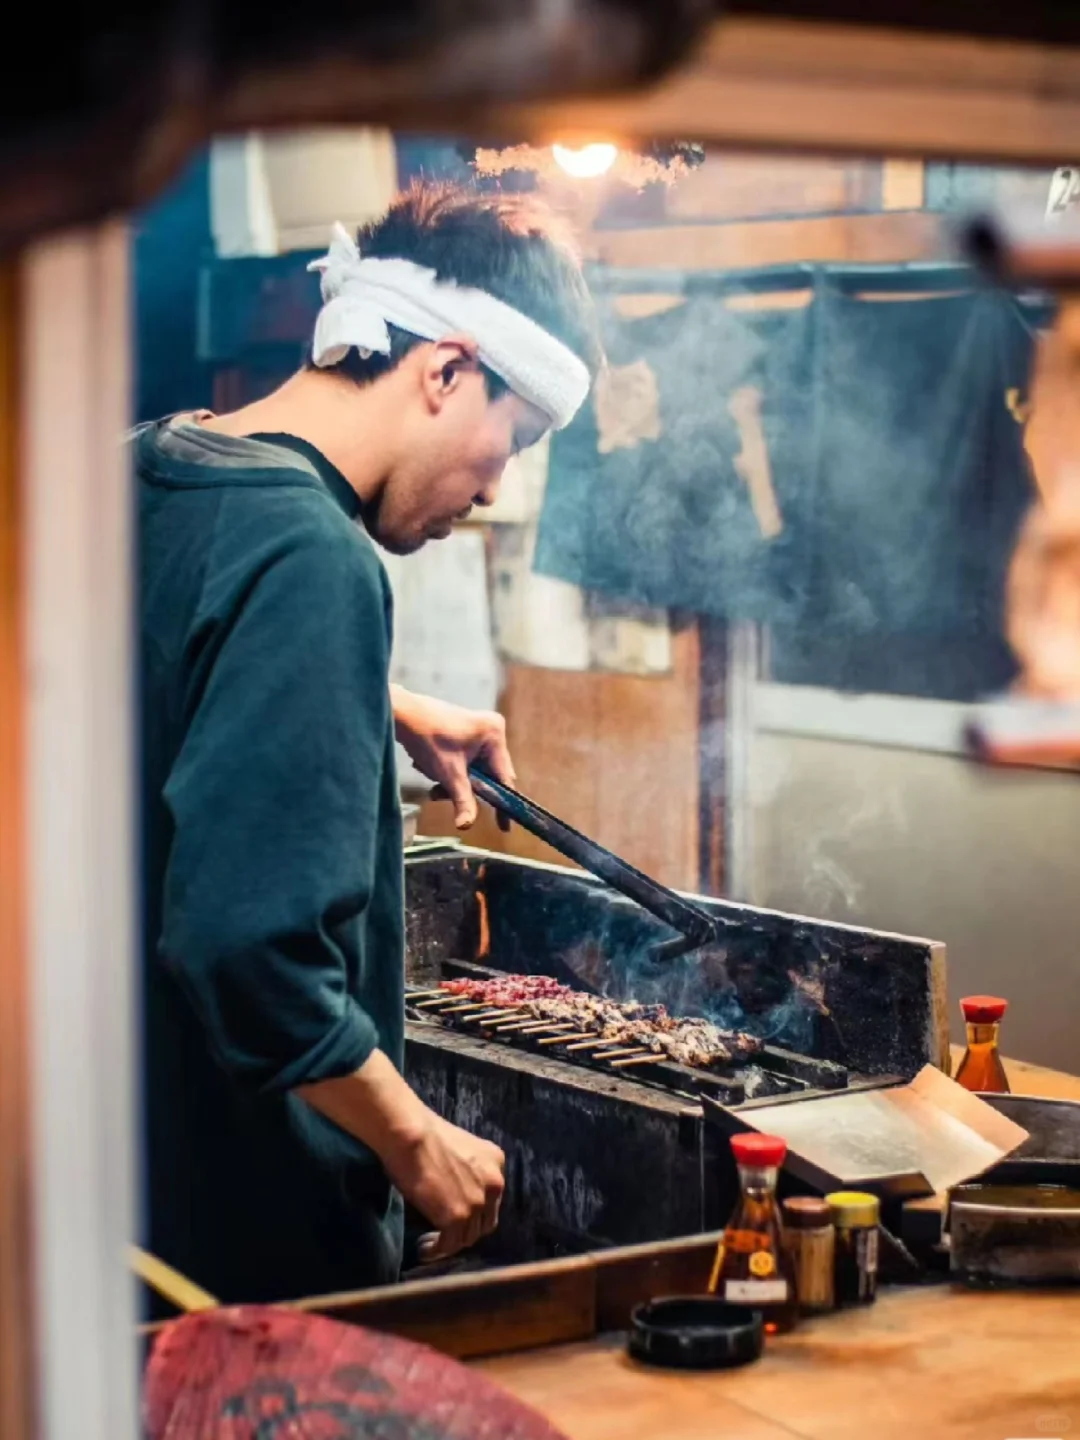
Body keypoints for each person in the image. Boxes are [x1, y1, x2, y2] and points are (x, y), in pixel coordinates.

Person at [136, 182, 601, 1306]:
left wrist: (372, 697)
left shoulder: (155, 463)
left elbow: (153, 650)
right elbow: (245, 947)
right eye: (514, 440)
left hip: (118, 1201)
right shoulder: (313, 559)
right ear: (443, 370)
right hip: (239, 1249)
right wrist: (414, 1143)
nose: (495, 490)